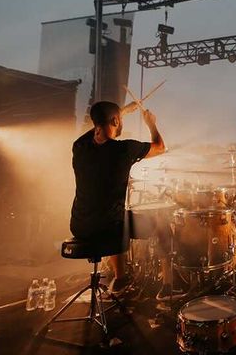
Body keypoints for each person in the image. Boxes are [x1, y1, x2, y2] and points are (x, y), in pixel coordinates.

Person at [70, 101, 165, 294]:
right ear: (115, 120)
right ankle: (167, 285)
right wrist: (151, 123)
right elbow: (160, 147)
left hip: (79, 226)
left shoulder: (79, 147)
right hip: (107, 228)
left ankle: (121, 278)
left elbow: (98, 126)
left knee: (116, 216)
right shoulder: (124, 149)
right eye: (119, 120)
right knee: (162, 224)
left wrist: (121, 111)